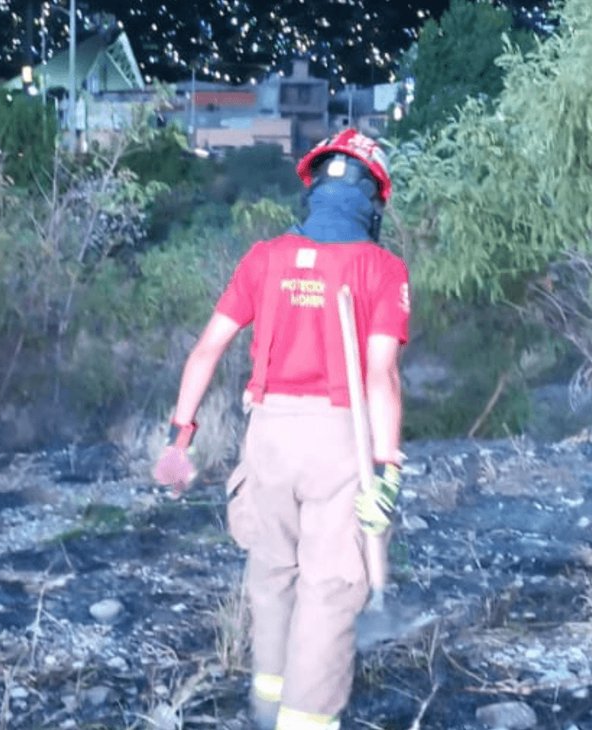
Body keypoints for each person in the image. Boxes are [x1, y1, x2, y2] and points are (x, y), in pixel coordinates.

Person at [152, 129, 411, 730]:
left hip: (266, 436)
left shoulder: (264, 258)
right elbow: (382, 378)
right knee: (330, 588)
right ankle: (304, 721)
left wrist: (180, 440)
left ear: (313, 189)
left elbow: (207, 349)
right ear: (375, 201)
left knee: (271, 573)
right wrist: (388, 470)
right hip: (338, 444)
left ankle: (267, 707)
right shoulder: (382, 267)